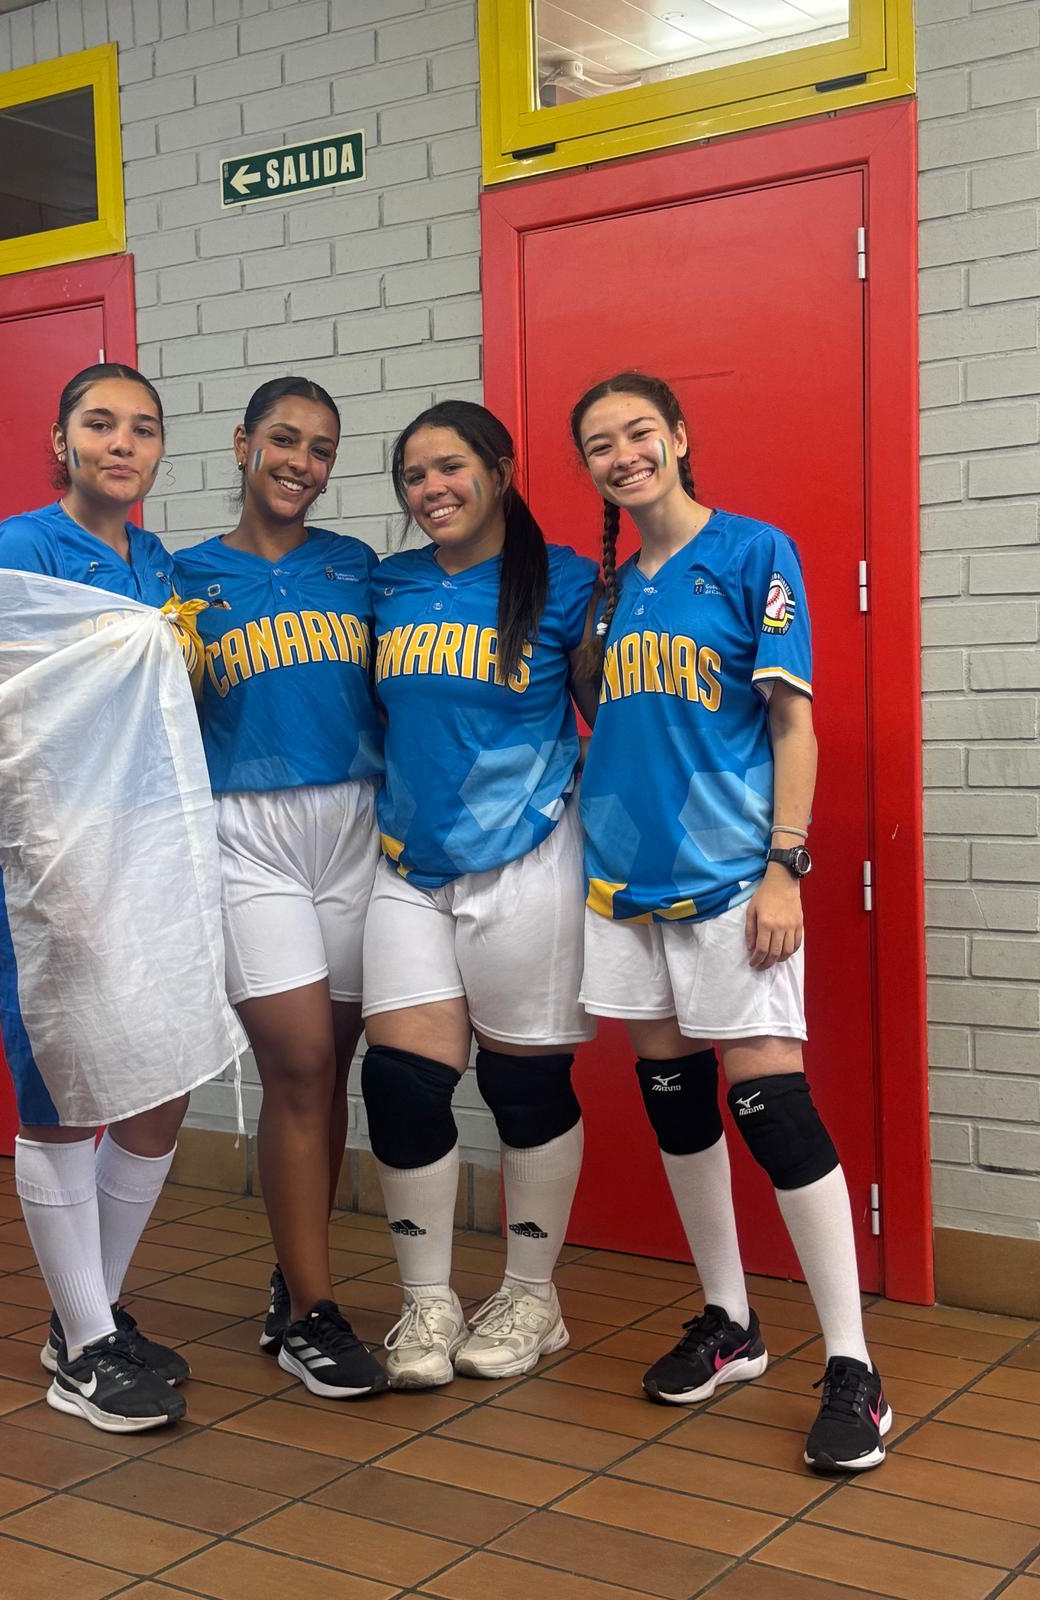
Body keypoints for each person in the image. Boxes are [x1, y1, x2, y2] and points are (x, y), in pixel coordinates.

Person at [570, 370, 890, 1474]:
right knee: (674, 1097)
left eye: (638, 433)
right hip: (624, 882)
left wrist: (785, 866)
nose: (623, 455)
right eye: (600, 445)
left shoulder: (755, 553)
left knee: (771, 1105)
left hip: (730, 878)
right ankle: (731, 1321)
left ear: (679, 435)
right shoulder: (606, 595)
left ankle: (852, 1365)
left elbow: (794, 723)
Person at [0, 363, 226, 1434]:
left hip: (151, 856)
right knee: (64, 1096)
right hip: (58, 858)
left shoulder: (157, 563)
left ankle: (90, 1318)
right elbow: (9, 725)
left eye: (144, 428)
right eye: (101, 424)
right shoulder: (22, 547)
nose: (123, 443)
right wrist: (56, 875)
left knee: (159, 1084)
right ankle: (82, 1349)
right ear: (61, 440)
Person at [361, 400, 598, 1389]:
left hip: (527, 855)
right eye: (414, 475)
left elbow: (618, 715)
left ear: (500, 470)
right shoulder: (389, 584)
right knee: (399, 1082)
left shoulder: (570, 583)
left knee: (522, 1087)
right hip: (409, 862)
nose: (432, 489)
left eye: (450, 467)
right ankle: (427, 1303)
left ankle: (533, 1297)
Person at [173, 377, 387, 1399]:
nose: (302, 461)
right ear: (242, 443)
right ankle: (313, 1316)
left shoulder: (358, 569)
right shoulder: (183, 579)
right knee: (297, 1062)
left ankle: (295, 1274)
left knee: (331, 1068)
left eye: (322, 448)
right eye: (285, 439)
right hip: (246, 834)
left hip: (354, 828)